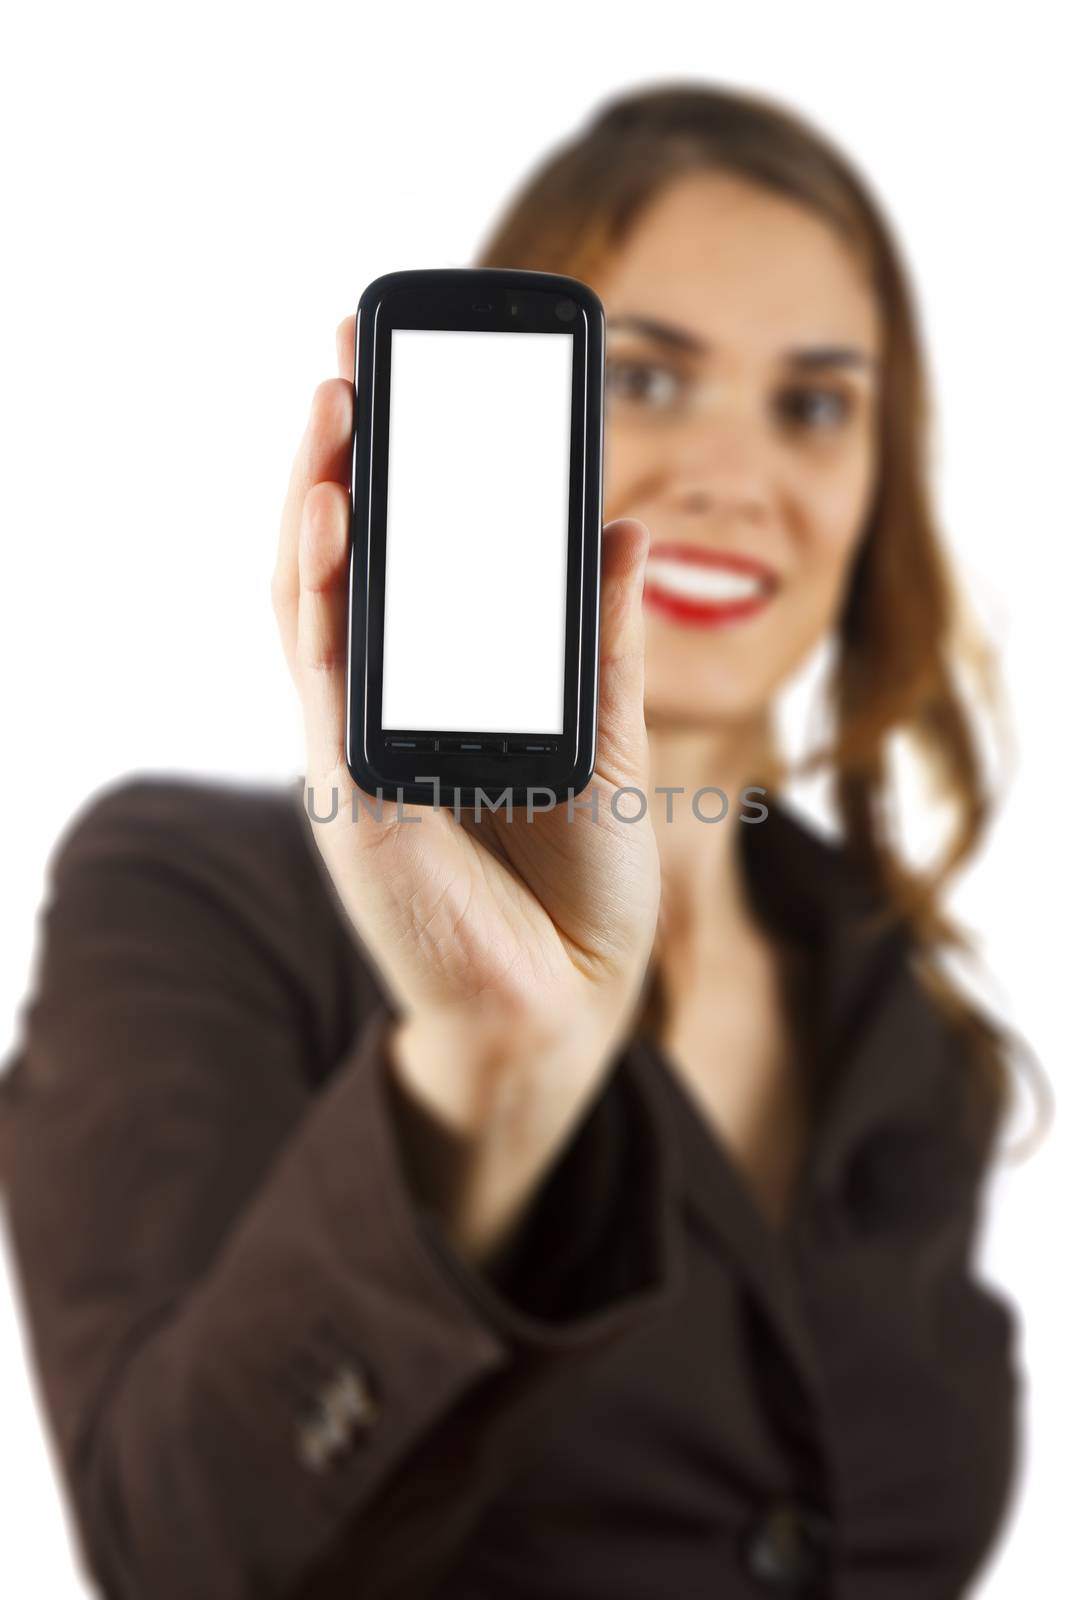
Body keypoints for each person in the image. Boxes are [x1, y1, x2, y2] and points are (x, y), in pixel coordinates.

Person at [0, 81, 1023, 1600]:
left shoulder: (900, 1015)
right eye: (647, 380)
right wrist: (496, 1067)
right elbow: (173, 1556)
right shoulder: (191, 897)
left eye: (815, 404)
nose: (735, 475)